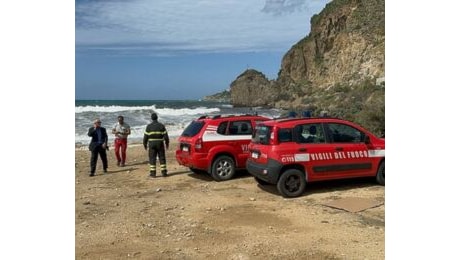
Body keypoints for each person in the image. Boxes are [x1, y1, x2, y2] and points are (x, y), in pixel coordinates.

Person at [143, 113, 170, 178]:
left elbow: (145, 137)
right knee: (162, 157)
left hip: (152, 144)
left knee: (152, 158)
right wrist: (167, 144)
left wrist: (145, 145)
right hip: (160, 143)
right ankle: (164, 173)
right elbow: (166, 137)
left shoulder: (148, 126)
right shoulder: (161, 126)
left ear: (151, 118)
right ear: (157, 118)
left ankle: (153, 174)